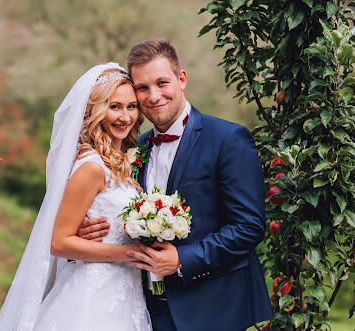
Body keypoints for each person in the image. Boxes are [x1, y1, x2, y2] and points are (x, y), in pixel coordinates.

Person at [78, 38, 273, 330]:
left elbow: (249, 227)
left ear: (181, 79)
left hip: (213, 308)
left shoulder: (228, 139)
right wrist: (87, 230)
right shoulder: (133, 148)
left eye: (162, 83)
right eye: (142, 88)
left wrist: (183, 258)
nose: (153, 96)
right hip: (143, 309)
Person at [0, 63, 152, 331]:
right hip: (94, 296)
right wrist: (129, 252)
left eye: (131, 106)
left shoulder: (123, 161)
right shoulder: (91, 166)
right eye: (114, 106)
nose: (125, 116)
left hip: (126, 291)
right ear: (96, 110)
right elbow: (59, 242)